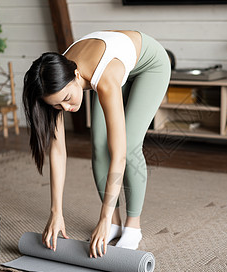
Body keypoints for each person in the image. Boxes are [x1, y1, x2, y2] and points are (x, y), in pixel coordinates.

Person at [22, 30, 171, 258]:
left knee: (128, 145)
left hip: (150, 65)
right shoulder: (54, 77)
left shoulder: (104, 77)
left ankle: (132, 226)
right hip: (112, 65)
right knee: (98, 147)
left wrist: (101, 216)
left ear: (75, 74)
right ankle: (114, 223)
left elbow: (119, 155)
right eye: (57, 106)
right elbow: (58, 152)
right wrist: (56, 212)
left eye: (66, 99)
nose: (67, 108)